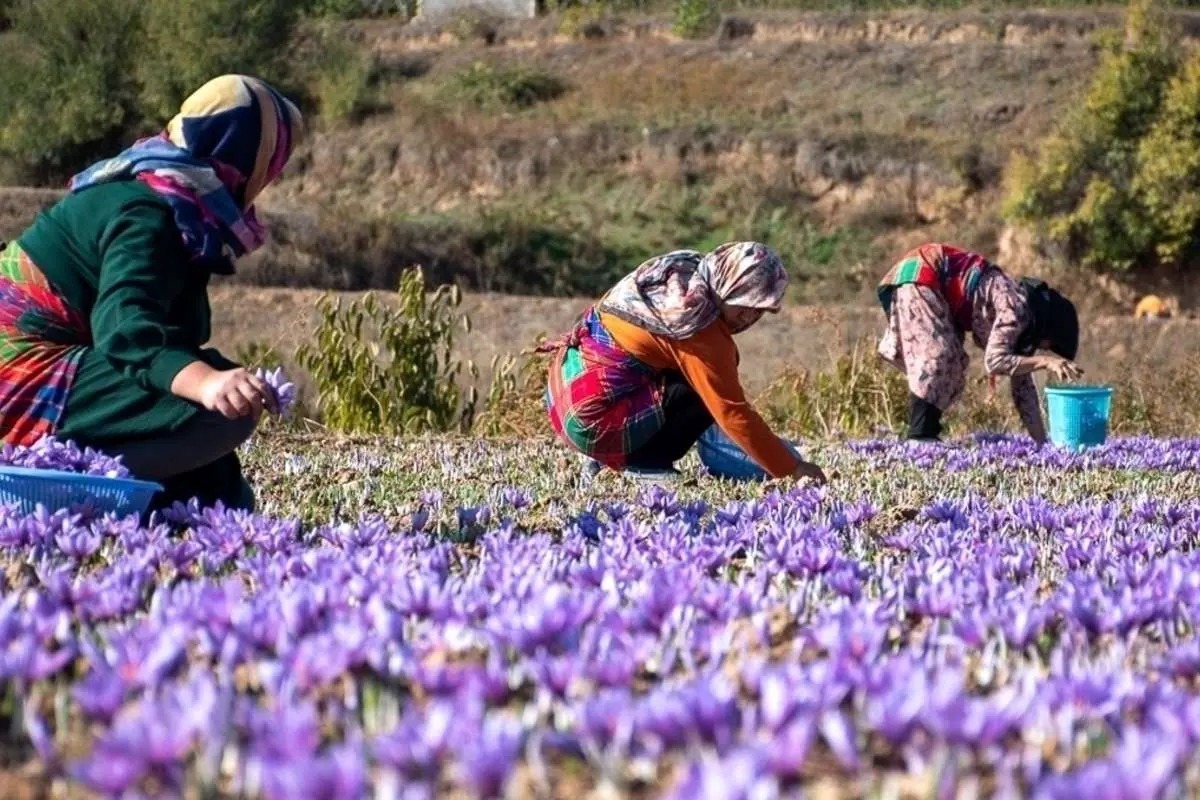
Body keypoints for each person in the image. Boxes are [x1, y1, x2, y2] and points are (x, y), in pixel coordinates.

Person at [0, 74, 302, 512]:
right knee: (222, 413)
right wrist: (208, 383)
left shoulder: (169, 198)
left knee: (219, 498)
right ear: (243, 161)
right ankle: (71, 486)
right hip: (21, 376)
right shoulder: (148, 211)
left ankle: (123, 493)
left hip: (48, 366)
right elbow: (125, 328)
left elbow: (166, 335)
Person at [540, 242, 828, 484]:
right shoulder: (699, 327)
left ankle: (601, 455)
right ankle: (646, 465)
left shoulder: (679, 275)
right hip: (592, 421)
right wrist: (790, 469)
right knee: (705, 389)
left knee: (695, 373)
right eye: (745, 304)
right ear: (728, 287)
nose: (749, 318)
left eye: (760, 310)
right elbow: (732, 413)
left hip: (563, 395)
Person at [876, 242, 1083, 443]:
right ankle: (920, 437)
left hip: (937, 290)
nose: (1041, 348)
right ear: (1046, 328)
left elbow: (1023, 390)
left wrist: (1042, 445)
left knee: (955, 365)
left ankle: (928, 433)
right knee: (938, 356)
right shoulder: (1016, 308)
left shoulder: (1022, 331)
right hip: (923, 274)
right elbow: (994, 362)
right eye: (1046, 344)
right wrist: (1046, 362)